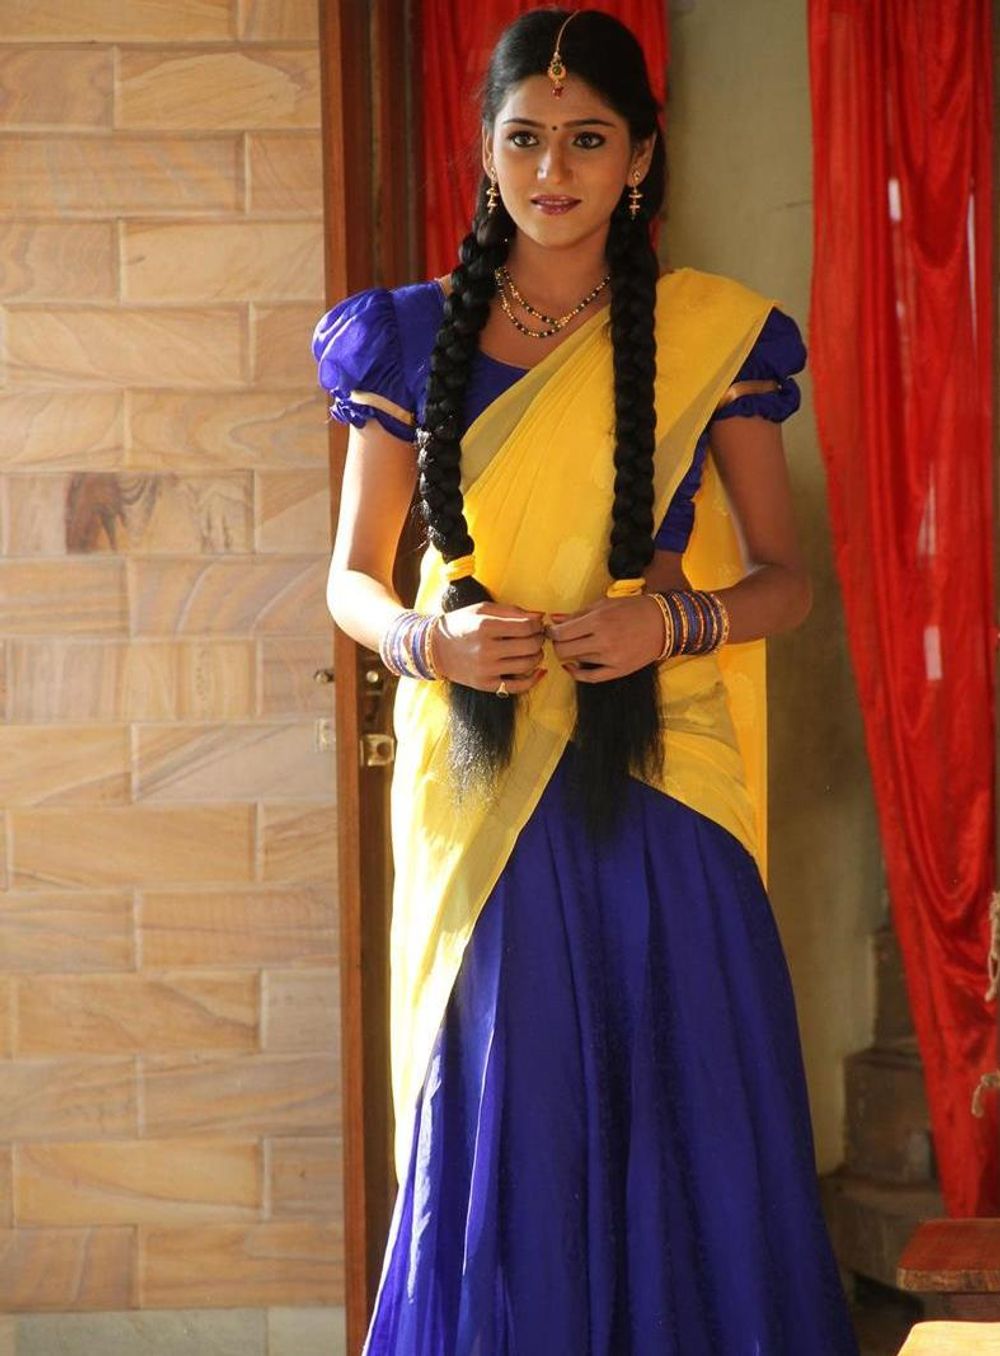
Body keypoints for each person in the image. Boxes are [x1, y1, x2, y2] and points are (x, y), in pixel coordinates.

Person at [313, 9, 860, 1353]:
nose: (552, 170)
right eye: (525, 139)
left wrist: (675, 622)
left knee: (693, 1101)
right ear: (486, 150)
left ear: (641, 157)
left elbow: (786, 582)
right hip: (483, 784)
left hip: (661, 775)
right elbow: (351, 581)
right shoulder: (403, 338)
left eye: (587, 139)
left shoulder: (713, 335)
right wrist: (428, 644)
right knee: (516, 1110)